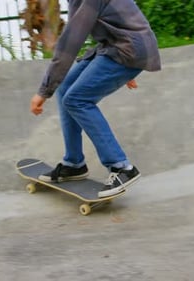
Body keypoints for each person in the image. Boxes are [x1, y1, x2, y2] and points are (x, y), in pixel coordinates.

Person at [30, 0, 161, 198]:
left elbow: (70, 43)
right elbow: (122, 20)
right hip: (116, 47)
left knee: (76, 100)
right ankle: (74, 164)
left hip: (126, 50)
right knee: (65, 88)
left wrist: (43, 91)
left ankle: (122, 168)